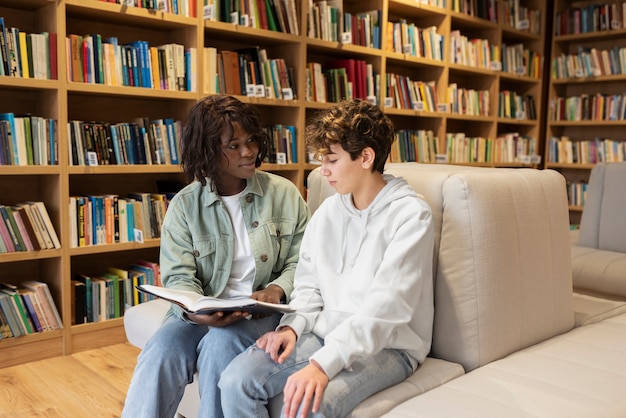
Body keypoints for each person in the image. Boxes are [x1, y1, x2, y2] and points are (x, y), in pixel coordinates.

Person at [219, 99, 435, 418]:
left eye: (331, 160)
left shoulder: (411, 216)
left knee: (311, 406)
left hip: (391, 345)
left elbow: (386, 310)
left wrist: (323, 364)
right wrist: (292, 328)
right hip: (324, 333)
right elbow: (308, 286)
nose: (323, 171)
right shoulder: (328, 212)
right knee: (236, 381)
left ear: (366, 157)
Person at [122, 95, 310, 418]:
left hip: (259, 316)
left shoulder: (284, 195)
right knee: (160, 352)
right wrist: (197, 313)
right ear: (207, 151)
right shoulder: (184, 207)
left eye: (251, 140)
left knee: (219, 345)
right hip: (201, 314)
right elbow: (179, 278)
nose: (248, 151)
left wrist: (278, 289)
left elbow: (304, 262)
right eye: (233, 145)